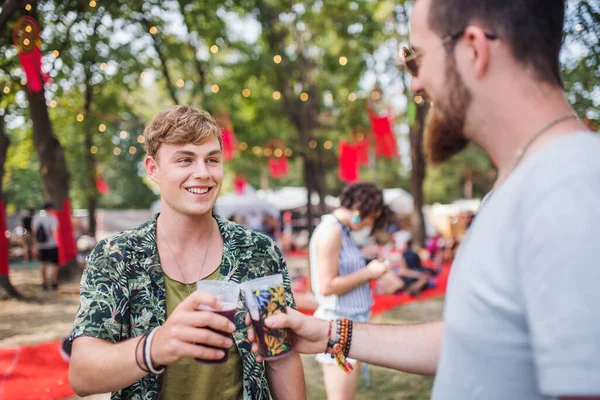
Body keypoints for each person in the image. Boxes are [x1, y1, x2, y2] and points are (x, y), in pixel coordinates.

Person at [253, 1, 600, 399]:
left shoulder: (568, 187)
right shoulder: (526, 186)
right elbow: (472, 344)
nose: (415, 84)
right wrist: (331, 332)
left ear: (474, 48)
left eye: (415, 59)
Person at [68, 105, 305, 399]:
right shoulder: (117, 256)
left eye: (212, 160)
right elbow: (81, 374)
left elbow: (279, 354)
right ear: (153, 169)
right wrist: (157, 345)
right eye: (185, 160)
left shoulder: (257, 251)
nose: (203, 173)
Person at [309, 182, 390, 400]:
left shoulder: (341, 230)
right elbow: (326, 286)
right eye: (370, 217)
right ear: (359, 210)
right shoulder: (332, 231)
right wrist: (368, 272)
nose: (369, 223)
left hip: (348, 324)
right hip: (339, 326)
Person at [32, 203, 59, 290]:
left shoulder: (37, 217)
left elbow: (34, 231)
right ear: (50, 208)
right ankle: (54, 282)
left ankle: (44, 283)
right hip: (52, 244)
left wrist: (35, 244)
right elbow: (54, 231)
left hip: (41, 245)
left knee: (43, 263)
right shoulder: (52, 218)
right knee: (55, 264)